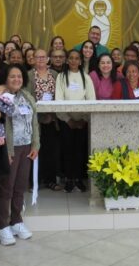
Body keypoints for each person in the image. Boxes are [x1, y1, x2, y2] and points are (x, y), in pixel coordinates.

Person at [0, 65, 40, 246]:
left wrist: (36, 144)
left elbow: (35, 123)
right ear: (5, 78)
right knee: (7, 187)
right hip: (10, 149)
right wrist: (7, 150)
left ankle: (16, 222)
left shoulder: (27, 96)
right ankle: (2, 227)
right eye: (12, 76)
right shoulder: (1, 97)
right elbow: (0, 126)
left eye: (19, 76)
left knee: (20, 186)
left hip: (26, 147)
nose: (16, 79)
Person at [55, 49, 96, 193]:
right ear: (67, 60)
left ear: (80, 61)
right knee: (67, 150)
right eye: (71, 58)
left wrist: (84, 119)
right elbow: (58, 100)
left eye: (76, 58)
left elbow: (91, 100)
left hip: (83, 122)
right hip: (66, 121)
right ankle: (69, 179)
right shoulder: (61, 77)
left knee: (80, 151)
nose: (73, 61)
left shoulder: (86, 77)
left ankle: (78, 178)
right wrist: (68, 120)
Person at [27, 49, 61, 191]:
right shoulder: (28, 75)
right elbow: (27, 96)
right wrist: (40, 115)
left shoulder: (55, 74)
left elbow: (59, 95)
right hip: (35, 119)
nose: (40, 59)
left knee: (51, 150)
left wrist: (51, 115)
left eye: (43, 57)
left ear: (48, 59)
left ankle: (51, 180)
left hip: (52, 119)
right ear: (33, 59)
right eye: (37, 57)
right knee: (35, 150)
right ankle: (34, 181)